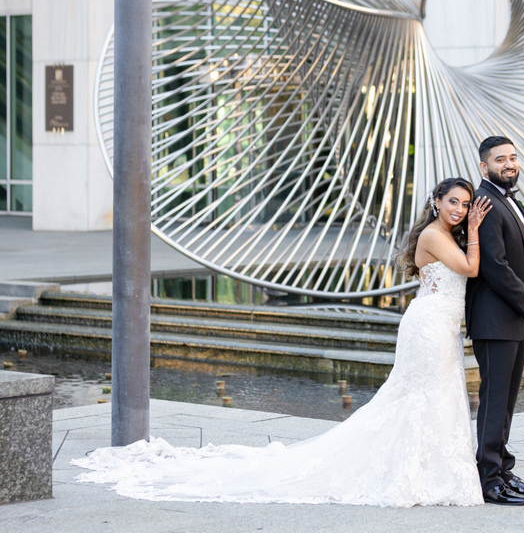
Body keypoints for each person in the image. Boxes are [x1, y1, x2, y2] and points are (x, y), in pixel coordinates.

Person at [72, 177, 493, 508]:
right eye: (452, 202)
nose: (458, 210)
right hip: (428, 326)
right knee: (420, 398)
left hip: (441, 325)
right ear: (436, 202)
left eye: (464, 204)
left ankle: (434, 471)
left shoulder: (448, 234)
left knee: (436, 398)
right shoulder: (435, 236)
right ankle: (418, 472)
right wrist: (474, 226)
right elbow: (471, 269)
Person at [465, 136, 524, 506]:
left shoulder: (511, 200)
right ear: (485, 167)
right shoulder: (484, 204)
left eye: (513, 156)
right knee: (495, 399)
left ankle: (503, 469)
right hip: (495, 317)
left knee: (508, 399)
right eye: (501, 159)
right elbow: (494, 266)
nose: (509, 163)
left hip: (514, 316)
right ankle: (488, 479)